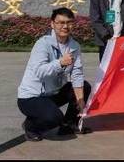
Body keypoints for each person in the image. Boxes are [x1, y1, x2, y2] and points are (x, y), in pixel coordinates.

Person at [17, 8, 92, 141]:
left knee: (84, 86)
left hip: (53, 94)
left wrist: (80, 101)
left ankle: (70, 124)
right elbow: (39, 72)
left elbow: (77, 74)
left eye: (69, 22)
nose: (65, 26)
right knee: (54, 118)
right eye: (61, 22)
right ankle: (30, 126)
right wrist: (60, 63)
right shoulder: (42, 44)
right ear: (52, 24)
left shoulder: (74, 46)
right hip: (32, 97)